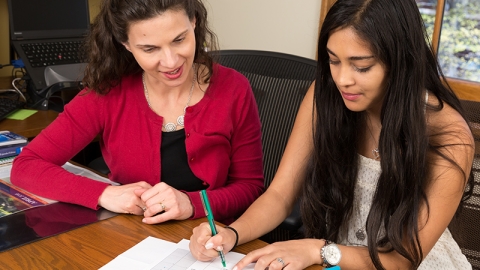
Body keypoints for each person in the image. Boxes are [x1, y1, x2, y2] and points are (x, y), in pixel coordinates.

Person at [189, 0, 475, 269]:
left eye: (361, 66)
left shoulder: (449, 136)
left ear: (400, 62)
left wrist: (317, 250)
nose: (342, 80)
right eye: (333, 60)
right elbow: (279, 194)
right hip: (334, 258)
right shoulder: (325, 95)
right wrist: (232, 234)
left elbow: (403, 260)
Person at [11, 0, 264, 225]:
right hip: (131, 235)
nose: (171, 61)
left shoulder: (234, 88)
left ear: (194, 23)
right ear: (126, 45)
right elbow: (26, 166)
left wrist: (193, 203)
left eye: (179, 39)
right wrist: (104, 193)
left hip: (211, 238)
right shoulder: (108, 92)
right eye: (150, 49)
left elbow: (250, 186)